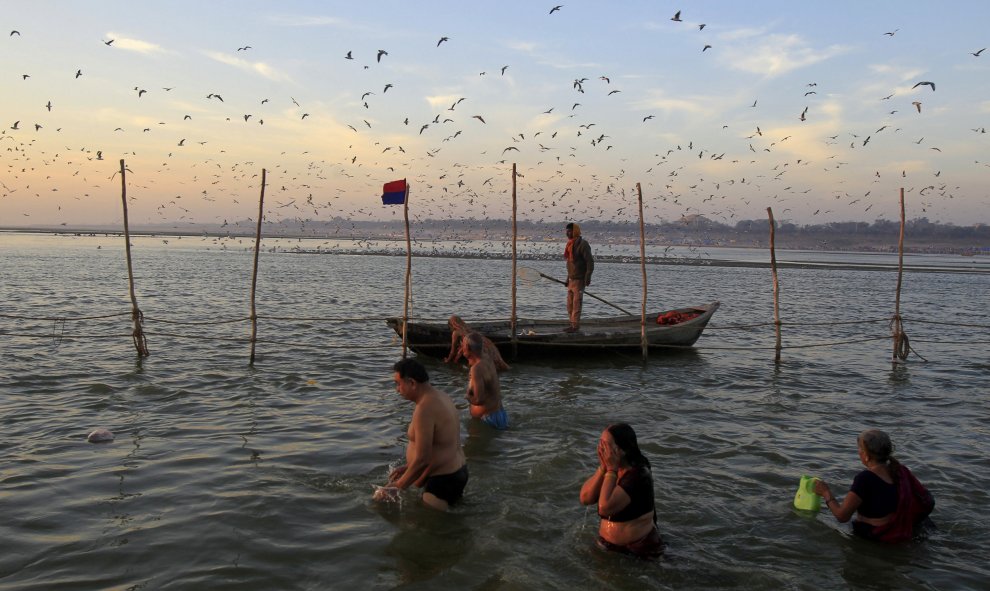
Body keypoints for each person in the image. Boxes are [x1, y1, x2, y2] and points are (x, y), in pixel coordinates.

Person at [375, 358, 468, 510]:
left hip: (442, 480)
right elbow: (442, 443)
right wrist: (408, 467)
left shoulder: (425, 409)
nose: (397, 390)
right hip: (457, 472)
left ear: (412, 383)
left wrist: (397, 487)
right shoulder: (442, 396)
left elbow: (423, 458)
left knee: (426, 530)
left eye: (398, 384)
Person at [814, 429, 934, 543]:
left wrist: (826, 492)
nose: (858, 452)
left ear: (866, 455)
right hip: (901, 531)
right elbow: (925, 499)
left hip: (876, 536)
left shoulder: (865, 478)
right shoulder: (901, 471)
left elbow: (842, 516)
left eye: (859, 448)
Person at [579, 423, 664, 558]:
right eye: (600, 444)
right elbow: (585, 498)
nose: (601, 449)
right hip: (609, 546)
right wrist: (603, 468)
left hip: (637, 550)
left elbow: (605, 508)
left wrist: (611, 470)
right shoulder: (612, 469)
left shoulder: (639, 475)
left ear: (622, 450)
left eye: (605, 446)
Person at [463, 332, 508, 429]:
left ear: (467, 346)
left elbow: (479, 399)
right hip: (499, 414)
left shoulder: (476, 369)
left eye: (462, 344)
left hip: (487, 420)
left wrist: (467, 396)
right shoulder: (487, 358)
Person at [443, 314, 510, 371]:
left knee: (476, 365)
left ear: (451, 325)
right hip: (483, 342)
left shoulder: (455, 333)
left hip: (474, 347)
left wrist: (448, 360)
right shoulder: (467, 328)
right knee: (493, 363)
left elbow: (453, 350)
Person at [564, 222, 594, 332]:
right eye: (566, 231)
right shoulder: (569, 245)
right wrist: (567, 279)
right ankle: (571, 325)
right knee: (569, 305)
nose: (567, 233)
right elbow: (570, 264)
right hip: (571, 280)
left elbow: (589, 262)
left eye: (569, 231)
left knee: (576, 304)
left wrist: (588, 277)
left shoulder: (583, 244)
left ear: (575, 231)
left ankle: (575, 326)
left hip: (579, 280)